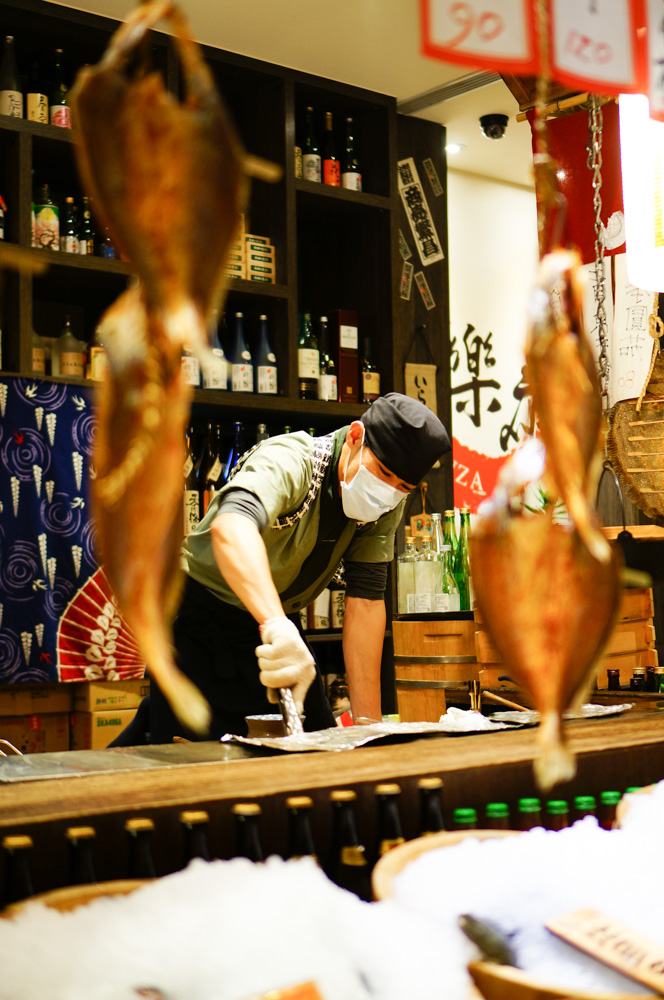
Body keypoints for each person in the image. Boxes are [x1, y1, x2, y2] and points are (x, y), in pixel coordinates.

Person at [116, 393, 450, 745]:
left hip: (271, 622)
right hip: (199, 618)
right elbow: (231, 528)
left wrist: (369, 728)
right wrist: (277, 626)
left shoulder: (384, 503)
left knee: (316, 745)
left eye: (403, 488)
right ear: (354, 436)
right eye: (383, 473)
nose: (387, 493)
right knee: (198, 762)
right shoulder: (293, 459)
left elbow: (366, 601)